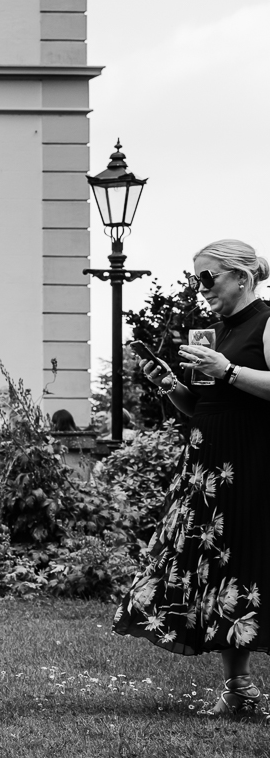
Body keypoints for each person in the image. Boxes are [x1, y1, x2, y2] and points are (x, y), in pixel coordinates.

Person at [118, 238, 270, 717]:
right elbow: (205, 406)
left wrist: (227, 371)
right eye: (196, 278)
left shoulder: (266, 323)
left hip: (256, 465)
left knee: (261, 564)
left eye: (208, 277)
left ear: (241, 278)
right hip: (212, 470)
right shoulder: (216, 333)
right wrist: (170, 385)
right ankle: (238, 690)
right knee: (227, 573)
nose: (200, 287)